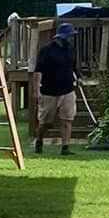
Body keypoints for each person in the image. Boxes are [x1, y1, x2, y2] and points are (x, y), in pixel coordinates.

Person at [32, 21, 79, 155]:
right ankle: (39, 140)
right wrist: (36, 91)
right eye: (69, 36)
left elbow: (74, 67)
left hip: (68, 90)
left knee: (67, 119)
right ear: (61, 37)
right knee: (47, 123)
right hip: (49, 91)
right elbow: (38, 71)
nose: (72, 38)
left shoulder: (71, 49)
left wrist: (79, 78)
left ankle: (65, 147)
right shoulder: (46, 51)